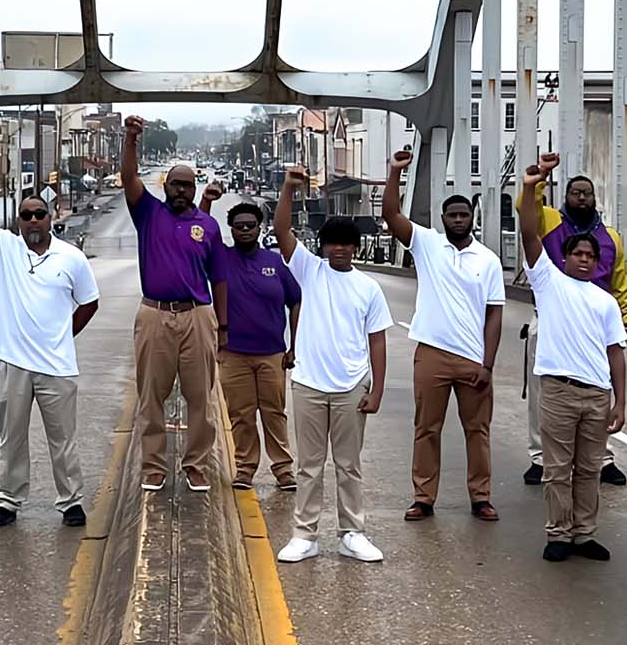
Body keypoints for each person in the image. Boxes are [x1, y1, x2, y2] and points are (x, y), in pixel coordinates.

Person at [0, 159, 100, 529]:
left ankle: (71, 501)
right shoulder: (4, 248)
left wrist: (61, 335)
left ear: (50, 216)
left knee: (63, 439)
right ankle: (7, 500)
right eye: (26, 215)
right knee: (12, 438)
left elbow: (89, 303)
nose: (33, 220)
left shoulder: (71, 258)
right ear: (19, 221)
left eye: (39, 213)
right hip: (10, 362)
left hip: (57, 366)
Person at [272, 167, 390, 564]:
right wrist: (289, 188)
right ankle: (305, 535)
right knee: (308, 465)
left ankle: (352, 532)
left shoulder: (368, 287)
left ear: (355, 248)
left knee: (348, 465)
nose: (339, 249)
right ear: (322, 247)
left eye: (346, 244)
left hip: (350, 386)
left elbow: (378, 340)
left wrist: (376, 390)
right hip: (307, 382)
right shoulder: (309, 270)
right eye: (332, 244)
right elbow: (283, 229)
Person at [382, 149, 505, 522]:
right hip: (432, 353)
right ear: (442, 219)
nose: (457, 220)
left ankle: (480, 497)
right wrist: (394, 173)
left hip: (472, 357)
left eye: (463, 215)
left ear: (472, 219)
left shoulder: (488, 260)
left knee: (477, 431)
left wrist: (488, 364)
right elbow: (391, 215)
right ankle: (424, 497)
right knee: (426, 429)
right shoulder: (427, 244)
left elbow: (495, 315)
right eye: (451, 215)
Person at [518, 155, 627, 563]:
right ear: (565, 258)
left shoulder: (605, 301)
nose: (583, 259)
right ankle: (558, 534)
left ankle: (585, 534)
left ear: (596, 262)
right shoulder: (549, 284)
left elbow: (616, 352)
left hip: (596, 395)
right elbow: (530, 234)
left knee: (589, 471)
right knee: (557, 470)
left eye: (589, 256)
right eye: (576, 254)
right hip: (560, 391)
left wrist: (621, 400)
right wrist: (531, 188)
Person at [122, 116, 229, 492]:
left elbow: (218, 278)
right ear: (165, 186)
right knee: (151, 392)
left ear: (194, 188)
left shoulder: (208, 226)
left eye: (188, 185)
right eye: (175, 184)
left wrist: (223, 327)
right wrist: (131, 138)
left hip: (197, 315)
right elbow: (129, 179)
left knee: (201, 394)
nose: (181, 190)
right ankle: (153, 465)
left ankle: (196, 463)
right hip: (154, 313)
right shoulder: (149, 214)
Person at [200, 184, 300, 492]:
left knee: (274, 413)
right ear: (230, 229)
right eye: (239, 226)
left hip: (272, 353)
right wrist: (206, 201)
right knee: (241, 415)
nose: (245, 230)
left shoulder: (275, 264)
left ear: (260, 228)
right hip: (233, 353)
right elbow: (200, 234)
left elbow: (295, 300)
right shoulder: (222, 259)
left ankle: (283, 469)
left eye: (250, 226)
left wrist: (295, 345)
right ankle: (244, 468)